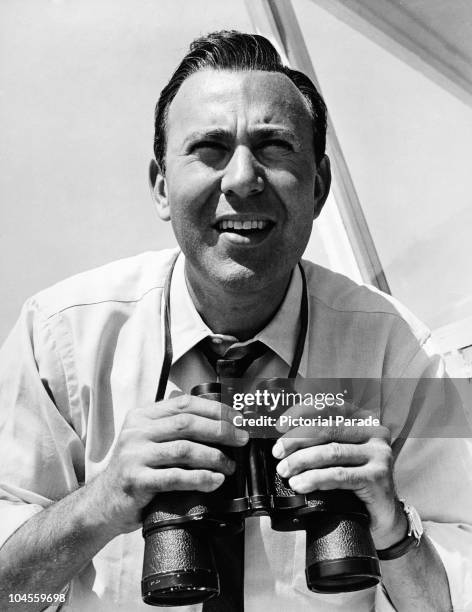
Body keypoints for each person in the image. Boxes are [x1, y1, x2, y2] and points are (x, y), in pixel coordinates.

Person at [0, 30, 470, 612]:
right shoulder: (60, 338)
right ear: (161, 186)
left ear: (320, 187)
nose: (243, 179)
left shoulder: (400, 354)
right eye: (211, 148)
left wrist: (392, 527)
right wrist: (99, 505)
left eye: (274, 147)